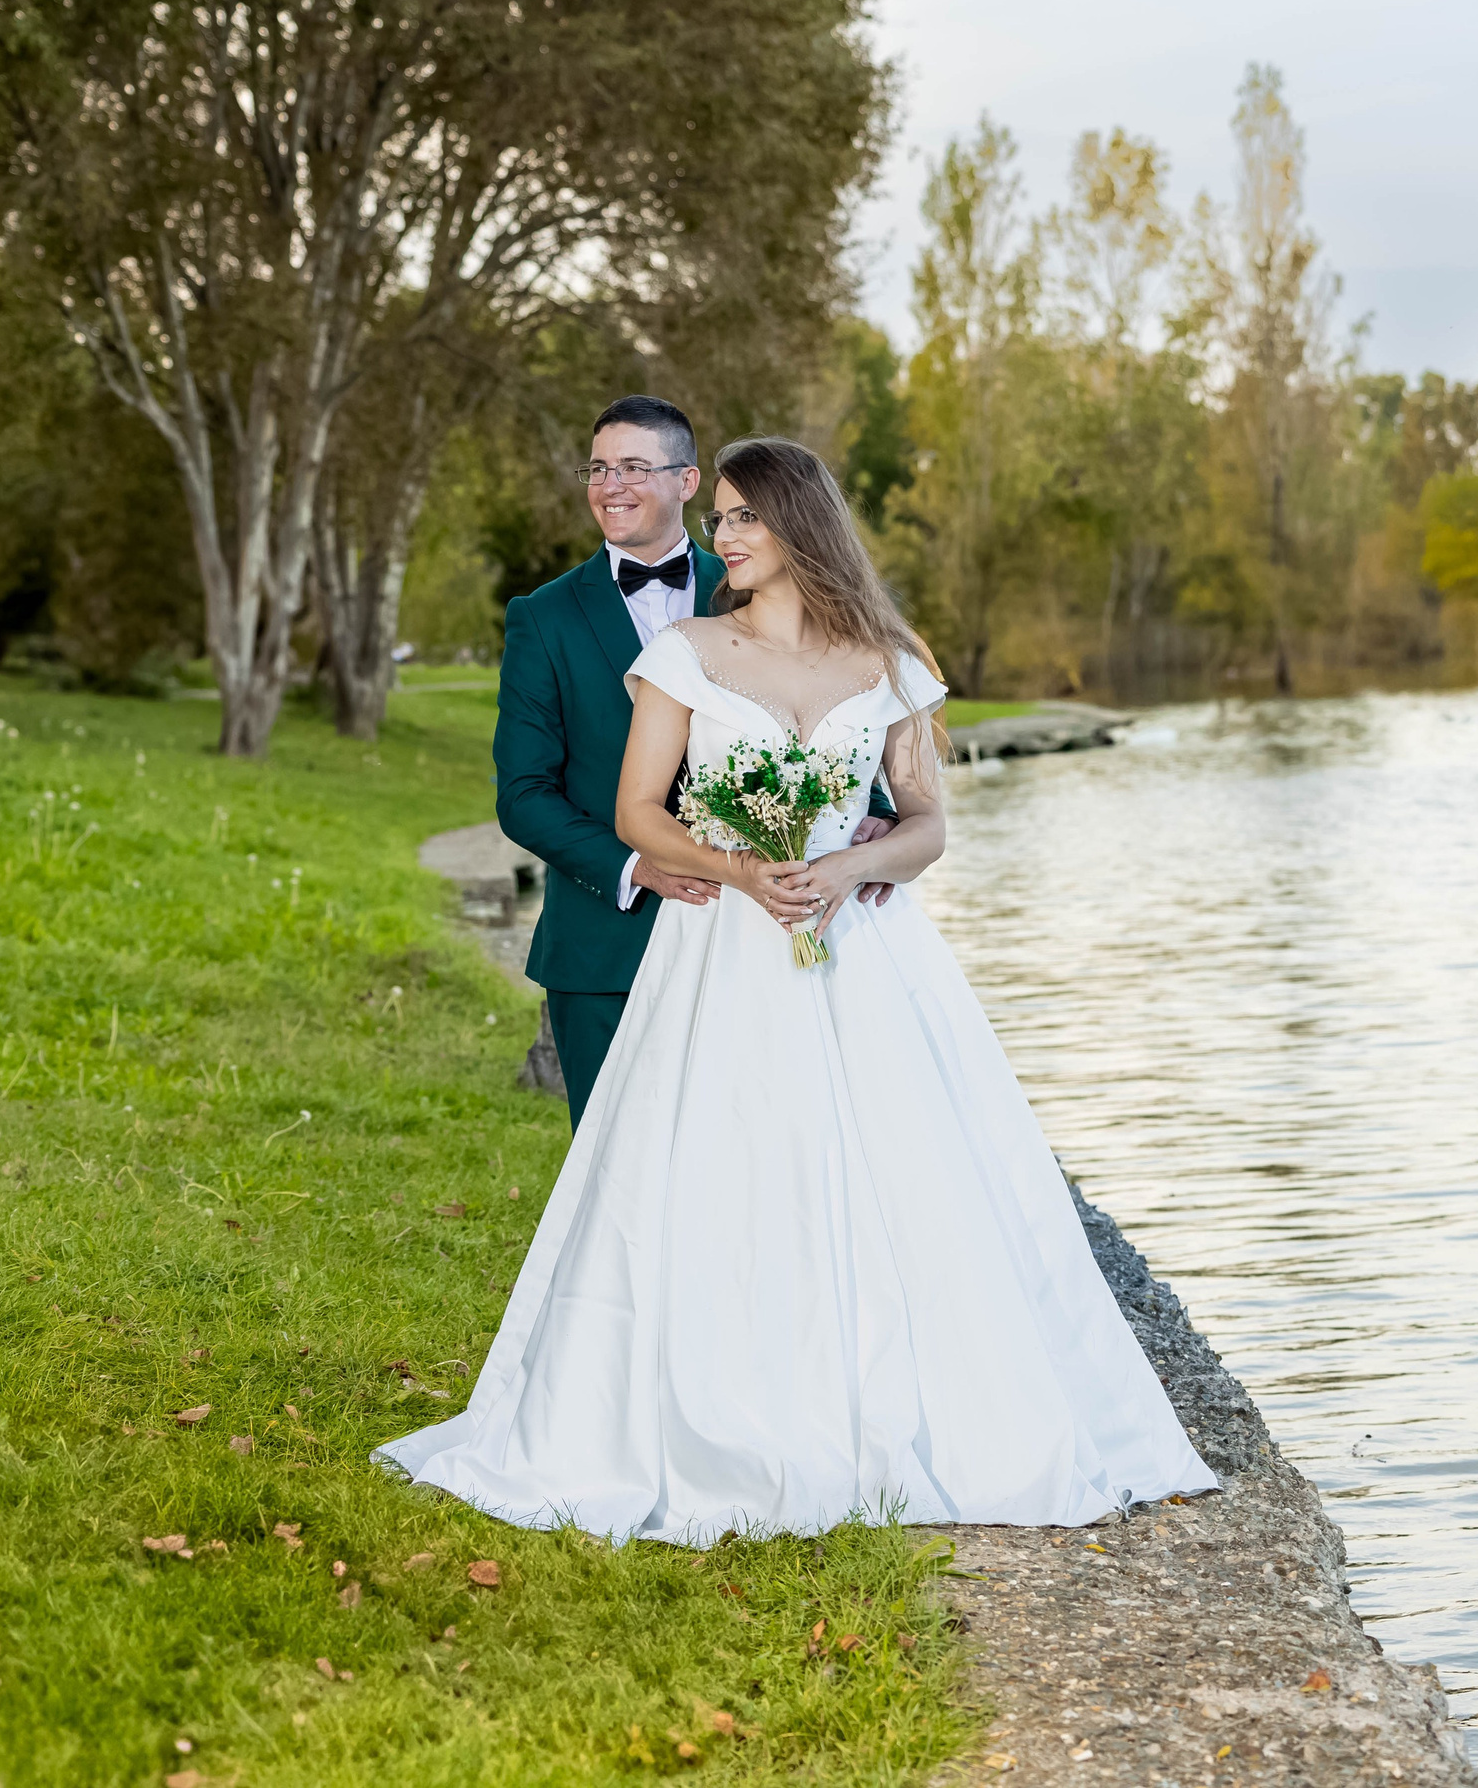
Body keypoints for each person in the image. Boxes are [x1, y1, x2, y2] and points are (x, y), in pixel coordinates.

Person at [376, 436, 1216, 1543]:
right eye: (716, 519)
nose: (719, 538)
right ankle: (726, 1413)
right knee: (729, 1165)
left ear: (796, 526)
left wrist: (848, 866)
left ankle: (918, 1411)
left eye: (738, 520)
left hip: (866, 959)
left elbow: (925, 826)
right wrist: (737, 868)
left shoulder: (888, 661)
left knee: (901, 1175)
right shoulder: (686, 653)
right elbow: (638, 810)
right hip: (724, 950)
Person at [489, 395, 895, 1129]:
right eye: (599, 468)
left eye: (635, 467)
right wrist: (635, 865)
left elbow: (836, 712)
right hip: (607, 947)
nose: (610, 485)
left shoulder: (753, 576)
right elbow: (522, 793)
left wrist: (873, 818)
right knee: (618, 1165)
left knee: (748, 1158)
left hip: (752, 940)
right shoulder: (542, 617)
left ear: (687, 481)